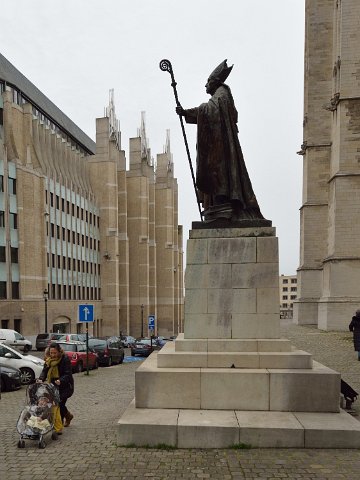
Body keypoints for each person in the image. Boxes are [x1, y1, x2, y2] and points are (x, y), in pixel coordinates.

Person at [176, 59, 264, 223]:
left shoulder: (222, 94)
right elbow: (209, 110)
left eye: (207, 82)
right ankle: (218, 207)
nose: (205, 86)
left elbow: (210, 110)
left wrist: (186, 112)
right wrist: (185, 113)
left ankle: (223, 207)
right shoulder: (220, 95)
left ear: (215, 82)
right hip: (218, 144)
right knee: (217, 174)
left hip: (221, 147)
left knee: (219, 173)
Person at [38, 342, 74, 432]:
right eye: (51, 353)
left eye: (55, 353)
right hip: (52, 385)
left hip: (65, 386)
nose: (53, 355)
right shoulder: (48, 360)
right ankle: (68, 416)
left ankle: (58, 426)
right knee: (56, 404)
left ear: (59, 352)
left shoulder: (64, 359)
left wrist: (61, 380)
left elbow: (68, 373)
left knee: (59, 404)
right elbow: (44, 371)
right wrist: (41, 379)